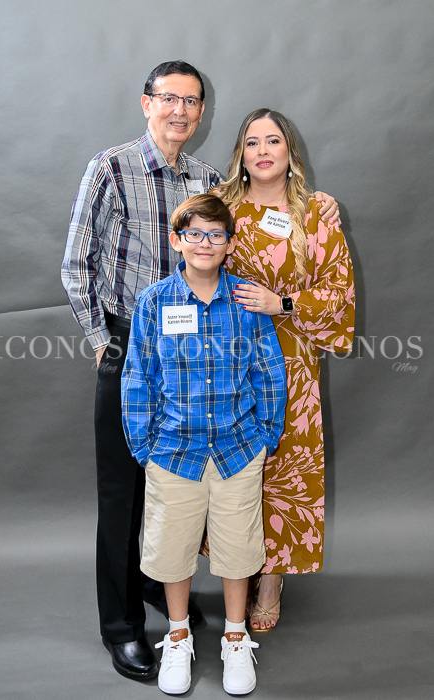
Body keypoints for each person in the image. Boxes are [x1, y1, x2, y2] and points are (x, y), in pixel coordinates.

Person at [61, 58, 339, 678]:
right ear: (147, 103)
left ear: (202, 111)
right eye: (169, 98)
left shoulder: (208, 177)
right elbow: (76, 263)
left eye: (191, 101)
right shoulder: (111, 168)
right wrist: (102, 339)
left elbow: (243, 247)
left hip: (208, 348)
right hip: (134, 339)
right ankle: (122, 627)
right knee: (125, 489)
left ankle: (163, 586)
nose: (180, 111)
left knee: (173, 489)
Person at [121, 193, 287, 695]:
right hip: (173, 451)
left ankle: (235, 638)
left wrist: (265, 436)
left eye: (216, 234)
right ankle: (178, 637)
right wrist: (144, 447)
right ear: (177, 241)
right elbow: (138, 377)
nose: (205, 243)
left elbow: (268, 370)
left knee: (237, 548)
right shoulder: (154, 302)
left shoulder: (247, 301)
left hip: (238, 449)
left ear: (229, 243)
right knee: (172, 548)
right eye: (194, 233)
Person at [213, 108, 355, 631]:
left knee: (284, 467)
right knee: (233, 466)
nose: (263, 151)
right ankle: (238, 566)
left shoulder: (315, 212)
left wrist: (284, 304)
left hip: (292, 362)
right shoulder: (221, 208)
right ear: (241, 155)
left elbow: (338, 292)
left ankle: (271, 578)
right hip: (228, 362)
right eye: (252, 142)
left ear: (290, 151)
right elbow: (192, 268)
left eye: (273, 141)